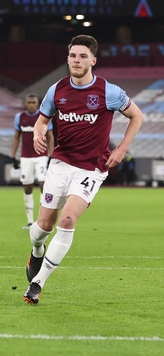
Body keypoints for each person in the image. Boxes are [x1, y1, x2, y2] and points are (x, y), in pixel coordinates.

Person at [23, 35, 144, 305]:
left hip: (91, 168)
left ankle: (37, 282)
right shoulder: (57, 90)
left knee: (67, 221)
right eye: (72, 56)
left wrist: (121, 149)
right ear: (67, 59)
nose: (76, 61)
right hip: (60, 164)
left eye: (82, 56)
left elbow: (137, 116)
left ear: (93, 60)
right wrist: (37, 134)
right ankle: (36, 250)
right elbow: (42, 121)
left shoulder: (108, 91)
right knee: (43, 226)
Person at [11, 94, 55, 229]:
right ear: (25, 103)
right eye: (29, 102)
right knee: (27, 187)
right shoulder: (20, 117)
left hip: (41, 155)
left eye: (33, 102)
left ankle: (41, 220)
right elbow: (17, 138)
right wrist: (13, 156)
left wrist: (51, 155)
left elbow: (50, 137)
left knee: (43, 183)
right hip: (26, 157)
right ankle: (30, 221)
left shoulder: (44, 117)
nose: (31, 104)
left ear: (37, 104)